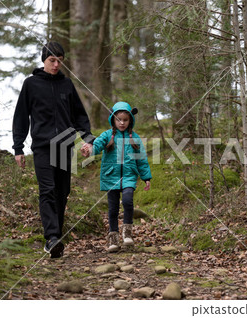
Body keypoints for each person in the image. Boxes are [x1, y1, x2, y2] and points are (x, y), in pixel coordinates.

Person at [12, 42, 94, 258]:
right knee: (47, 190)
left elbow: (79, 115)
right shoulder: (31, 84)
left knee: (62, 192)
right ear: (44, 60)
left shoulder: (66, 85)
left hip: (65, 146)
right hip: (42, 147)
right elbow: (21, 116)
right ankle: (52, 237)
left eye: (60, 60)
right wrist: (18, 147)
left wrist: (88, 140)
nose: (56, 64)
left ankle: (55, 239)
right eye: (52, 60)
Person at [82, 102, 152, 252]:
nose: (122, 123)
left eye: (125, 120)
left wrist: (146, 177)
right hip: (111, 176)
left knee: (127, 200)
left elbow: (142, 159)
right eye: (118, 119)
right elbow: (98, 144)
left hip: (129, 175)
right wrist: (90, 149)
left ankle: (127, 232)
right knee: (113, 209)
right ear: (113, 119)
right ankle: (113, 238)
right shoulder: (107, 135)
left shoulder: (135, 138)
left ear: (130, 120)